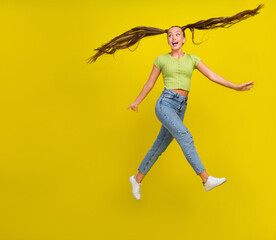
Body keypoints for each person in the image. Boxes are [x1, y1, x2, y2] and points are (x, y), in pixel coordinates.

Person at [86, 5, 264, 200]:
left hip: (181, 107)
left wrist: (235, 86)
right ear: (168, 40)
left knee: (159, 147)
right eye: (170, 35)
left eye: (177, 34)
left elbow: (212, 75)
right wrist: (136, 101)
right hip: (165, 104)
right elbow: (150, 84)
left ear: (184, 39)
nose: (173, 38)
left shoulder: (193, 59)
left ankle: (136, 179)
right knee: (186, 138)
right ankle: (206, 179)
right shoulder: (161, 60)